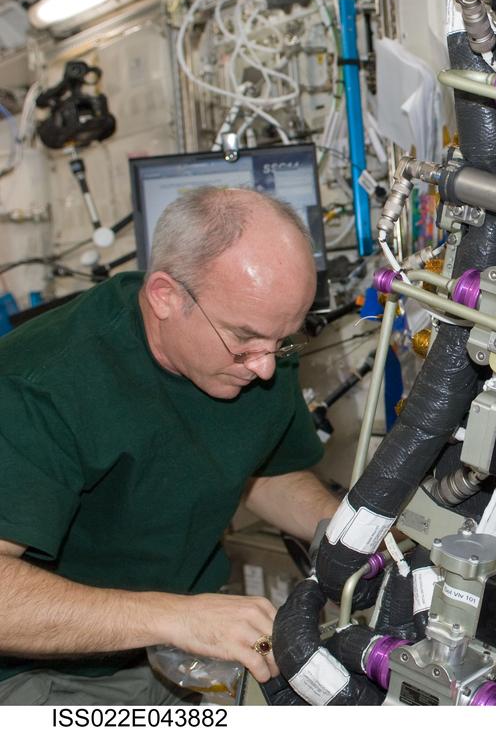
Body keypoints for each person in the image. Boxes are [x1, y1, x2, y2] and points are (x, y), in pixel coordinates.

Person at [0, 187, 341, 705]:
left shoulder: (258, 345)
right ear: (165, 296)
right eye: (245, 341)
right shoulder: (40, 385)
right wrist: (176, 617)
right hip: (39, 669)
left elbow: (261, 470)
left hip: (174, 646)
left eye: (285, 340)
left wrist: (344, 531)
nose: (266, 366)